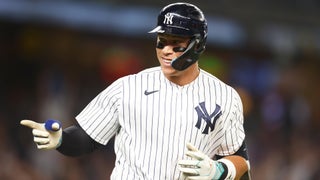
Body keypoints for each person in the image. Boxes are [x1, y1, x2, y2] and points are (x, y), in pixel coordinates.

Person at [21, 2, 251, 180]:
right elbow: (86, 138)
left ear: (198, 45)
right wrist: (61, 139)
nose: (166, 50)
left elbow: (240, 160)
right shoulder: (128, 87)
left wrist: (218, 170)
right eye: (162, 41)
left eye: (176, 44)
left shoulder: (224, 96)